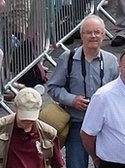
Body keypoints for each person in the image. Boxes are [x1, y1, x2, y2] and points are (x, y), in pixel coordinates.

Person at [47, 18, 118, 168]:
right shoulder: (68, 58)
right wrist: (72, 100)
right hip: (77, 124)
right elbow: (52, 88)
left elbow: (119, 93)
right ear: (81, 35)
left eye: (97, 32)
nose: (93, 36)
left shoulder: (111, 61)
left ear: (103, 35)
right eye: (88, 32)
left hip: (104, 126)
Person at [0, 88, 63, 168]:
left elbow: (59, 165)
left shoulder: (49, 134)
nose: (27, 122)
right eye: (23, 119)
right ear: (15, 107)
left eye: (31, 119)